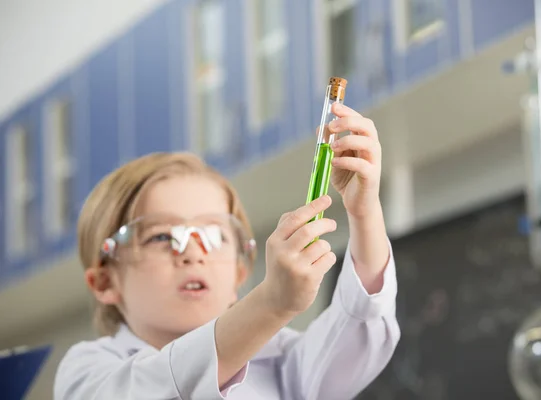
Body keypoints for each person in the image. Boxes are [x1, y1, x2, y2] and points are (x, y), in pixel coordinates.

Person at [53, 103, 400, 400]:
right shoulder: (88, 371)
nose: (192, 254)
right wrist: (271, 303)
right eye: (160, 237)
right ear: (103, 282)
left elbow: (358, 332)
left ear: (238, 273)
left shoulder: (282, 360)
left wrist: (364, 212)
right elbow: (156, 386)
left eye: (214, 235)